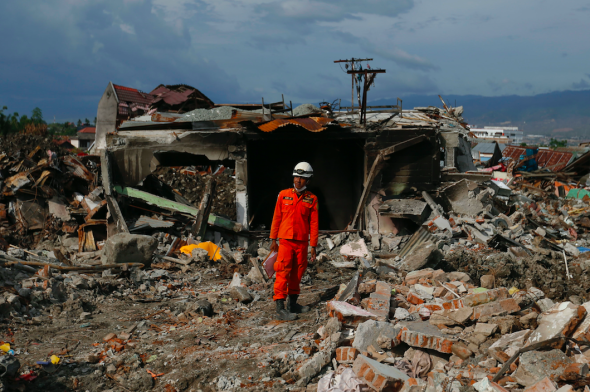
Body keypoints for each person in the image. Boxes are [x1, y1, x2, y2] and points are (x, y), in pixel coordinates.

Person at [270, 162, 319, 321]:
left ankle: (293, 304)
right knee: (282, 271)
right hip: (285, 241)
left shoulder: (312, 199)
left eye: (302, 178)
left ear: (308, 181)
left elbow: (314, 223)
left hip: (302, 242)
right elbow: (277, 217)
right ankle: (280, 308)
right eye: (296, 177)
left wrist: (313, 245)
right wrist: (273, 239)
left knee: (298, 273)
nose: (298, 180)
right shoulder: (283, 195)